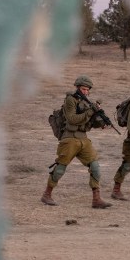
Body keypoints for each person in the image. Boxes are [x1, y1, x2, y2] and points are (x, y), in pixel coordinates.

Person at [41, 75, 113, 209]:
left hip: (83, 138)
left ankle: (96, 199)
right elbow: (72, 119)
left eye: (87, 90)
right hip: (69, 138)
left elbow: (88, 122)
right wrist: (91, 111)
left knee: (95, 167)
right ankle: (47, 194)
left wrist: (101, 122)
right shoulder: (70, 100)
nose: (86, 92)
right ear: (78, 88)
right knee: (60, 168)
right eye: (83, 89)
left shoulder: (87, 103)